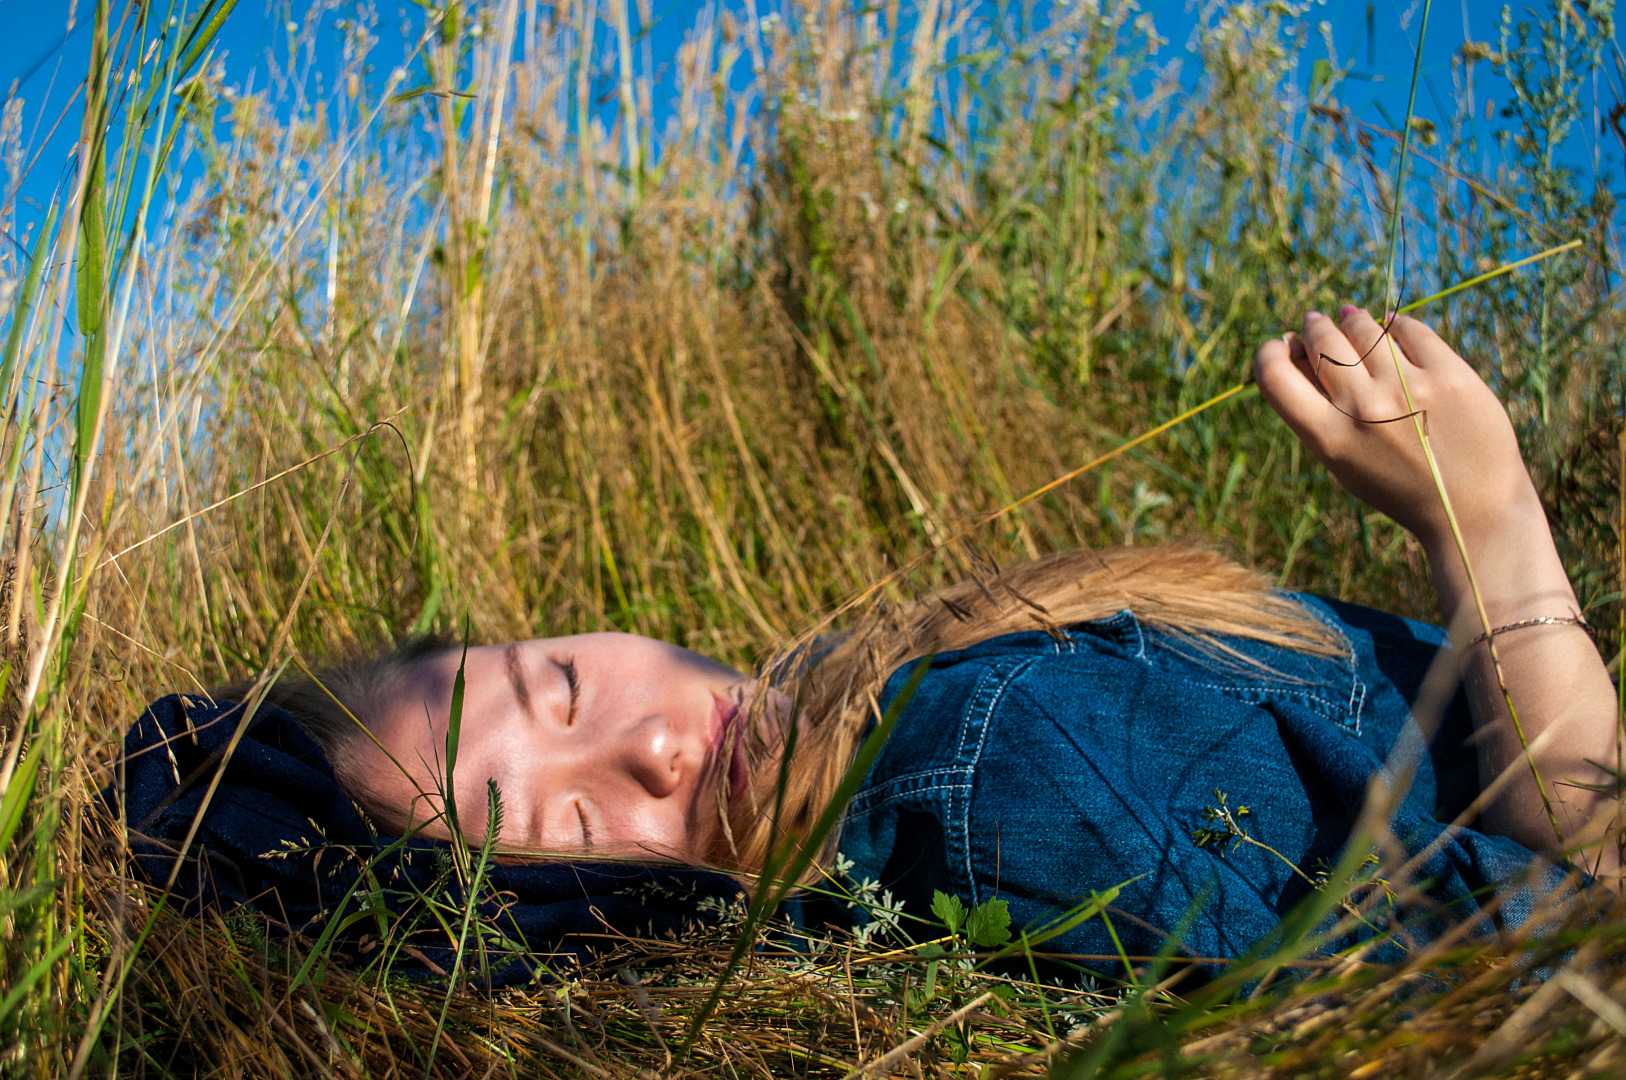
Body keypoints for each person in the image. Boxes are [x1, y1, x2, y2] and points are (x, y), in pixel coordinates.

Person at [117, 308, 1617, 976]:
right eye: (570, 822)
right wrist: (1485, 530)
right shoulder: (981, 784)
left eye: (557, 681)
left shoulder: (907, 680)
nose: (648, 745)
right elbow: (1571, 910)